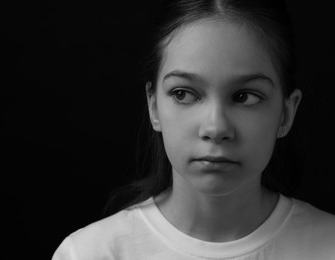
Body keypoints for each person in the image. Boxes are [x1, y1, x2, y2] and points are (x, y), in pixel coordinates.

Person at [52, 0, 335, 259]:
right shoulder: (91, 253)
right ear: (154, 107)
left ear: (286, 113)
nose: (216, 128)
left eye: (244, 96)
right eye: (183, 94)